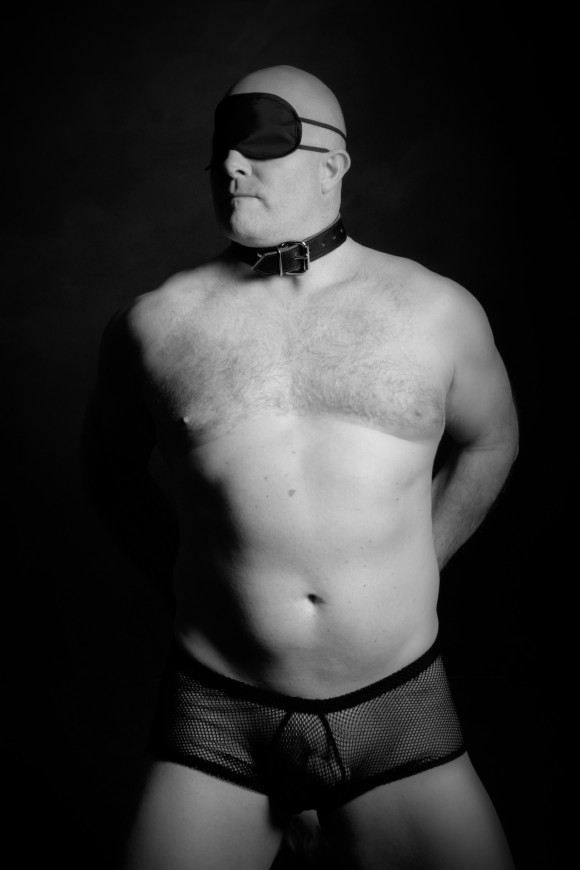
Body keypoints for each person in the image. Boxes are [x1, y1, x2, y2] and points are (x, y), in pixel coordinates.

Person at [84, 65, 518, 869]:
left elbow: (493, 442)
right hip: (219, 714)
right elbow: (107, 469)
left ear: (333, 164)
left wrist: (420, 564)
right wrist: (188, 581)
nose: (230, 164)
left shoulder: (438, 312)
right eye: (223, 146)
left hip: (394, 709)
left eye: (263, 140)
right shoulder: (153, 323)